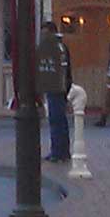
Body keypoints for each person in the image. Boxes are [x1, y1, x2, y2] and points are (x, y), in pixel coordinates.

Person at [37, 21, 73, 162]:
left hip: (57, 87)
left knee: (56, 120)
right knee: (59, 120)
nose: (44, 37)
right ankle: (61, 151)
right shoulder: (58, 46)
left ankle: (58, 152)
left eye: (46, 33)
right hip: (57, 86)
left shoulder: (56, 47)